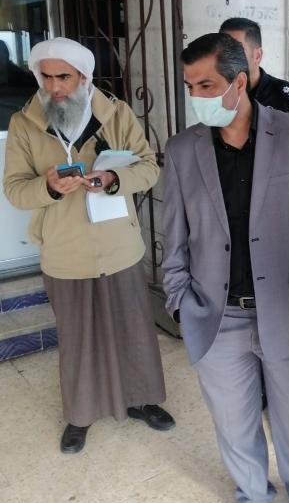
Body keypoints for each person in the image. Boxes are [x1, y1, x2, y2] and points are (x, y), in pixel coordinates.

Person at [161, 32, 289, 503]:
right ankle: (252, 498)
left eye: (207, 85)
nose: (196, 96)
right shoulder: (183, 150)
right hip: (216, 316)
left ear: (239, 82)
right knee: (233, 421)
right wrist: (179, 301)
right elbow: (173, 238)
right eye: (190, 86)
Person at [3, 37, 175, 454]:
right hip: (65, 250)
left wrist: (114, 179)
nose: (54, 86)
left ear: (83, 76)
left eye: (63, 76)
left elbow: (148, 167)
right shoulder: (25, 124)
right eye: (46, 76)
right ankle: (79, 415)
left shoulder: (116, 113)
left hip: (118, 245)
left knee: (133, 327)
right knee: (78, 337)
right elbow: (15, 190)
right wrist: (48, 187)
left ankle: (142, 400)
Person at [219, 17, 289, 172]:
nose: (228, 60)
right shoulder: (216, 98)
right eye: (223, 52)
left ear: (257, 56)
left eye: (237, 52)